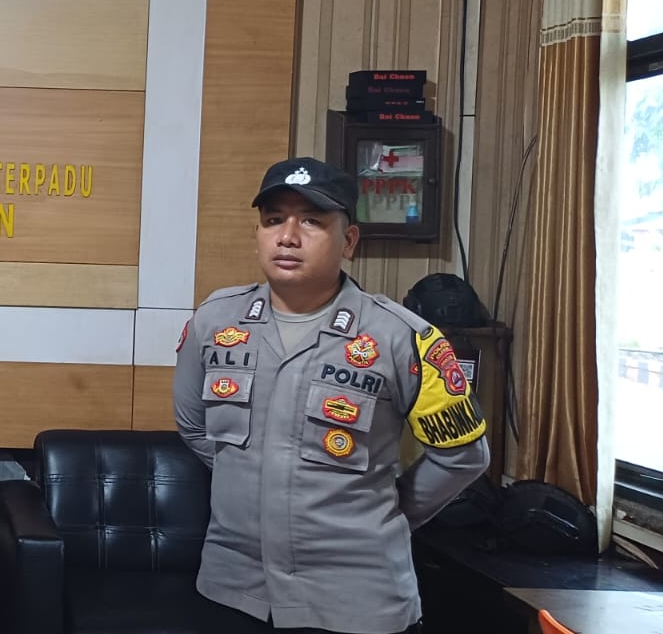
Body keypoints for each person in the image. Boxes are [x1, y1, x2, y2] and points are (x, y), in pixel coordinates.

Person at [173, 157, 490, 634]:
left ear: (349, 241)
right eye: (273, 219)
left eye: (311, 222)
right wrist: (261, 478)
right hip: (234, 590)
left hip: (356, 599)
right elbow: (194, 426)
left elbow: (463, 455)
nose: (287, 237)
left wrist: (385, 513)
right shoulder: (215, 322)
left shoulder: (403, 337)